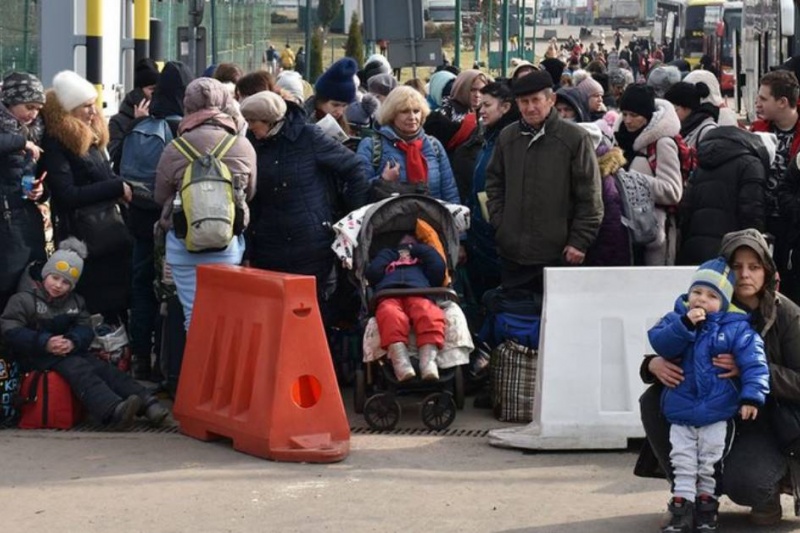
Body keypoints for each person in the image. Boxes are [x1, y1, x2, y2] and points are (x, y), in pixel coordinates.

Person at [639, 229, 800, 526]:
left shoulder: (786, 314)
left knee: (749, 482)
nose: (745, 275)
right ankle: (685, 498)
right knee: (653, 400)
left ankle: (771, 491)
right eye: (736, 266)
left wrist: (752, 372)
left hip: (764, 419)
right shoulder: (702, 304)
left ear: (767, 271)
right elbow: (673, 339)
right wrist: (653, 364)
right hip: (710, 408)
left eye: (754, 267)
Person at [647, 256, 770, 532]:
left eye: (712, 295)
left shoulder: (736, 328)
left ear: (725, 302)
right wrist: (684, 326)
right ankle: (682, 505)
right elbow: (660, 343)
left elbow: (755, 362)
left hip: (717, 411)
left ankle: (707, 504)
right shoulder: (675, 319)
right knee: (682, 458)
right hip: (682, 410)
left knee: (710, 459)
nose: (702, 300)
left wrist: (752, 396)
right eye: (697, 292)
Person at [0, 238, 170, 430]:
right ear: (45, 274)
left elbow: (85, 328)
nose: (58, 285)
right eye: (55, 278)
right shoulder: (24, 299)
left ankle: (148, 402)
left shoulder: (75, 302)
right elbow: (10, 329)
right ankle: (111, 410)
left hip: (67, 350)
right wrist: (44, 342)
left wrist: (73, 341)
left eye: (65, 282)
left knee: (104, 369)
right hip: (35, 354)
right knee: (79, 370)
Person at [240, 90, 368, 322]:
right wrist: (249, 248)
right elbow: (250, 199)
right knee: (276, 318)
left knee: (311, 315)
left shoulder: (309, 137)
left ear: (270, 121)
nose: (249, 127)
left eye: (253, 122)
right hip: (268, 246)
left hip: (311, 245)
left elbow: (355, 169)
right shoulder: (251, 144)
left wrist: (351, 219)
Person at [485, 70, 603, 293]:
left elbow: (590, 197)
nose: (530, 108)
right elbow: (494, 184)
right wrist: (502, 224)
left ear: (551, 100)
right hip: (513, 255)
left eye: (536, 100)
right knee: (517, 320)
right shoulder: (508, 137)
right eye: (523, 102)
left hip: (559, 255)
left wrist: (579, 241)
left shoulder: (574, 139)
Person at [153, 77, 257, 330]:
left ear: (187, 106)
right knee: (225, 315)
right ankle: (224, 369)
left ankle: (198, 369)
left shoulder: (175, 148)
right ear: (224, 103)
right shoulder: (242, 145)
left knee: (193, 317)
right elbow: (251, 192)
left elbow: (160, 196)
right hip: (227, 242)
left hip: (183, 243)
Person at [39, 70, 133, 322]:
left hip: (106, 232)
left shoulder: (88, 137)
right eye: (86, 106)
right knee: (96, 302)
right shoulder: (58, 142)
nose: (94, 112)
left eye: (94, 105)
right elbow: (67, 194)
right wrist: (116, 188)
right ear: (69, 110)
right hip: (85, 236)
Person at [125, 61, 194, 381]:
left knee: (140, 288)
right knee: (171, 292)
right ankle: (167, 365)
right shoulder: (185, 128)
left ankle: (140, 357)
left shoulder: (140, 125)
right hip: (171, 224)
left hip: (139, 217)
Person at [678, 129, 772, 265]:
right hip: (732, 249)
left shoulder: (701, 166)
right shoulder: (751, 164)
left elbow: (686, 207)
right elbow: (752, 212)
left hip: (694, 247)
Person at [460, 82, 519, 296]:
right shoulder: (489, 137)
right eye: (480, 106)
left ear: (505, 107)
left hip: (497, 234)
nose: (481, 110)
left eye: (487, 105)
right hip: (482, 230)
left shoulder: (510, 141)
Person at [355, 86, 460, 205]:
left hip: (432, 220)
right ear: (392, 114)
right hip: (388, 221)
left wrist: (454, 219)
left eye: (416, 111)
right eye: (405, 111)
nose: (412, 117)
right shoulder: (371, 145)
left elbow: (449, 191)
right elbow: (358, 193)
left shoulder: (434, 145)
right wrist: (383, 181)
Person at [614, 84, 682, 266]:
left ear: (647, 116)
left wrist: (629, 182)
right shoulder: (618, 138)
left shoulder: (662, 143)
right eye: (624, 113)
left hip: (653, 236)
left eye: (634, 115)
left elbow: (673, 191)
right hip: (622, 231)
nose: (627, 120)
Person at [365, 235, 447, 382]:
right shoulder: (388, 260)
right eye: (403, 244)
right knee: (389, 314)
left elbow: (438, 269)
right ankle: (400, 361)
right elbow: (372, 274)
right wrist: (392, 253)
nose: (406, 246)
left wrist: (418, 250)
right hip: (389, 293)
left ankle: (428, 361)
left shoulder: (421, 264)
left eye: (411, 243)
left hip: (419, 292)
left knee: (428, 313)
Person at [751, 70, 800, 304]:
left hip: (793, 225)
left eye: (763, 98)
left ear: (782, 102)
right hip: (764, 221)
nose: (757, 103)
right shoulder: (757, 131)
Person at [0, 72, 47, 314]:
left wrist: (40, 191)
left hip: (24, 215)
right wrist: (21, 143)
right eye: (29, 107)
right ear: (10, 100)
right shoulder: (16, 134)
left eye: (37, 109)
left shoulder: (36, 129)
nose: (33, 114)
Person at [424, 69, 491, 156]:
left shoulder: (485, 113)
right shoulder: (443, 115)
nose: (477, 95)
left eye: (482, 91)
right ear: (461, 88)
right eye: (472, 90)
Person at [108, 58, 160, 169]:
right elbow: (117, 158)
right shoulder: (117, 121)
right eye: (152, 89)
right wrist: (139, 124)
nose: (156, 94)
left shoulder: (160, 116)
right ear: (138, 93)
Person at [305, 57, 359, 138]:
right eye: (335, 105)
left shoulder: (343, 124)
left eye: (344, 106)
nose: (340, 112)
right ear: (320, 101)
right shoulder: (300, 121)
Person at [664, 82, 718, 150]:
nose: (670, 114)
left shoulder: (707, 131)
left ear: (687, 108)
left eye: (674, 109)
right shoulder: (683, 128)